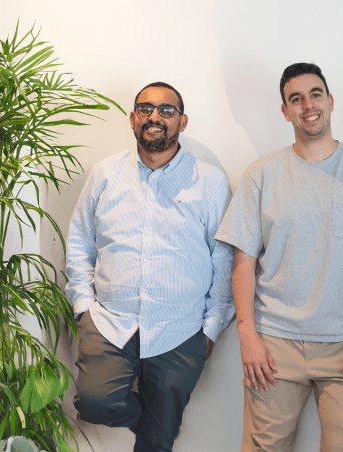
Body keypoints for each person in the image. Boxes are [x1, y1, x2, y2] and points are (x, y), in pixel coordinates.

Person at [215, 63, 343, 452]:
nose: (308, 105)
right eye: (295, 99)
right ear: (285, 111)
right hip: (274, 346)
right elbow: (243, 262)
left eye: (315, 94)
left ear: (330, 101)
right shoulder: (262, 174)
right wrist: (248, 334)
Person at [65, 82, 234, 451]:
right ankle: (157, 425)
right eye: (145, 108)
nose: (154, 116)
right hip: (111, 321)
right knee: (95, 403)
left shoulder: (210, 182)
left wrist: (211, 328)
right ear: (132, 118)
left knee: (157, 445)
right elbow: (80, 240)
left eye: (166, 110)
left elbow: (223, 258)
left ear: (182, 121)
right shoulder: (105, 174)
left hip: (181, 328)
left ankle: (158, 431)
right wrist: (83, 307)